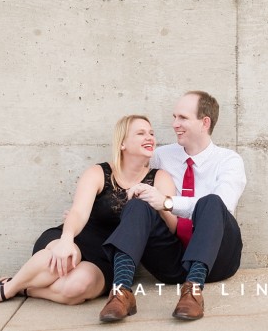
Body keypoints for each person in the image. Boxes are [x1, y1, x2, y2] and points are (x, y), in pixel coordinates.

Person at [0, 115, 177, 307]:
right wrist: (67, 239)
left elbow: (172, 228)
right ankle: (4, 291)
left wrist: (158, 202)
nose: (149, 137)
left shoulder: (159, 178)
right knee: (66, 257)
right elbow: (78, 213)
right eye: (140, 133)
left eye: (151, 133)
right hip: (77, 238)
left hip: (108, 256)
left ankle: (24, 287)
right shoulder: (99, 172)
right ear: (122, 143)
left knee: (77, 288)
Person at [99, 90, 246, 322]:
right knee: (138, 204)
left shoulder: (229, 161)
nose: (174, 124)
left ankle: (193, 291)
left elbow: (224, 206)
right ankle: (121, 292)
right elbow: (126, 172)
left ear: (204, 122)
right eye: (174, 117)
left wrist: (167, 202)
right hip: (171, 259)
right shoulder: (161, 156)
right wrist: (88, 211)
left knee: (212, 202)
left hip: (217, 260)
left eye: (183, 118)